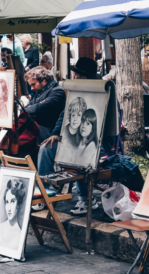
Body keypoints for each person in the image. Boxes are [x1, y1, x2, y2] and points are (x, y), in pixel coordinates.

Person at [38, 56, 99, 215]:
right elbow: (64, 115)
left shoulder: (102, 92)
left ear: (83, 77)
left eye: (76, 75)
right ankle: (43, 193)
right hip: (72, 138)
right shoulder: (76, 92)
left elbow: (107, 128)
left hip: (95, 141)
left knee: (82, 151)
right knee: (46, 147)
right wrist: (56, 133)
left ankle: (87, 198)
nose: (74, 77)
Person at [23, 66, 65, 142]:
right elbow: (31, 105)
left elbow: (39, 107)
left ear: (43, 80)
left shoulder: (57, 91)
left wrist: (24, 111)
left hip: (48, 132)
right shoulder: (40, 90)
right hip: (38, 127)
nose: (32, 88)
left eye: (33, 84)